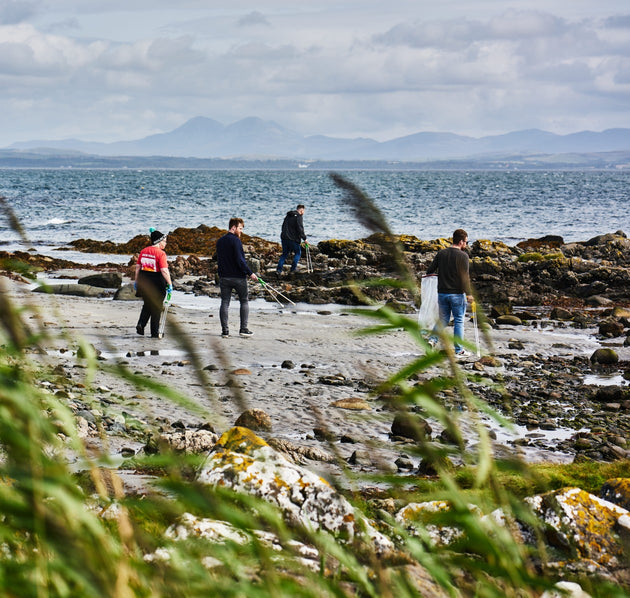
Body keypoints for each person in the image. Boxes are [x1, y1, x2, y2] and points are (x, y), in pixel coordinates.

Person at [426, 228, 472, 356]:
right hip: (457, 294)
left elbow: (429, 271)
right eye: (466, 242)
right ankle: (459, 350)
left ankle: (432, 340)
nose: (466, 245)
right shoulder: (463, 256)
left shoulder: (441, 253)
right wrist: (469, 294)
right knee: (458, 320)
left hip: (442, 293)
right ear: (461, 241)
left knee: (443, 319)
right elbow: (465, 277)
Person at [215, 217, 259, 337]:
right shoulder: (236, 241)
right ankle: (243, 329)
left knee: (225, 302)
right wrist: (250, 273)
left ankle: (225, 331)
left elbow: (218, 258)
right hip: (238, 277)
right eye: (240, 228)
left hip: (224, 276)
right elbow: (240, 261)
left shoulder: (220, 241)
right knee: (244, 301)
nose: (241, 231)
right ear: (233, 227)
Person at [135, 228, 172, 338]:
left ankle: (141, 324)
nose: (166, 243)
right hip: (157, 281)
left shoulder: (144, 251)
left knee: (147, 304)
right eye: (165, 241)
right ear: (159, 241)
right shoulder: (161, 253)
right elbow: (164, 270)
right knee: (156, 307)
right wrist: (169, 284)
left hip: (144, 280)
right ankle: (154, 332)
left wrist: (137, 281)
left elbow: (138, 267)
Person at [276, 204, 307, 275]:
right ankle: (293, 269)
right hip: (293, 239)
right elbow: (300, 228)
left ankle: (279, 270)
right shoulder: (299, 217)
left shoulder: (288, 215)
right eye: (303, 211)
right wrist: (304, 238)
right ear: (301, 210)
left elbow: (283, 226)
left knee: (284, 254)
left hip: (284, 238)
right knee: (298, 253)